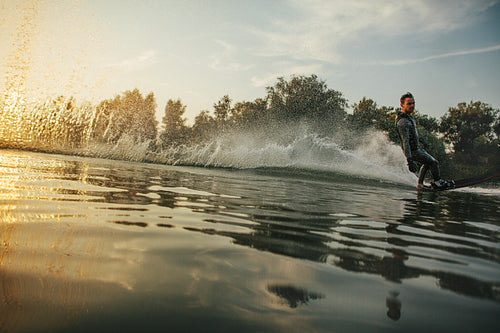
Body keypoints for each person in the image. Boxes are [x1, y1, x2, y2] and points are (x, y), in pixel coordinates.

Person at [395, 92, 450, 189]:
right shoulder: (402, 122)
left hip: (417, 148)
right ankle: (438, 182)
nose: (412, 106)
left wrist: (422, 141)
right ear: (402, 105)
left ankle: (420, 184)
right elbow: (405, 141)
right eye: (409, 104)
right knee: (433, 162)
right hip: (412, 151)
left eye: (413, 103)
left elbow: (413, 135)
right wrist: (410, 160)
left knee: (427, 163)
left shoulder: (409, 118)